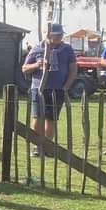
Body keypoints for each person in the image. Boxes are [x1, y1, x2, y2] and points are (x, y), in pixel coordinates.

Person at [21, 22, 77, 156]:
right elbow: (24, 68)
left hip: (57, 89)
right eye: (56, 35)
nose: (59, 37)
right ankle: (37, 145)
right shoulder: (37, 48)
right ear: (48, 35)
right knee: (38, 117)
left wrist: (66, 87)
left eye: (60, 35)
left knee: (51, 118)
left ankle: (47, 146)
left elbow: (73, 70)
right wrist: (37, 64)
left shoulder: (67, 49)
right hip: (38, 88)